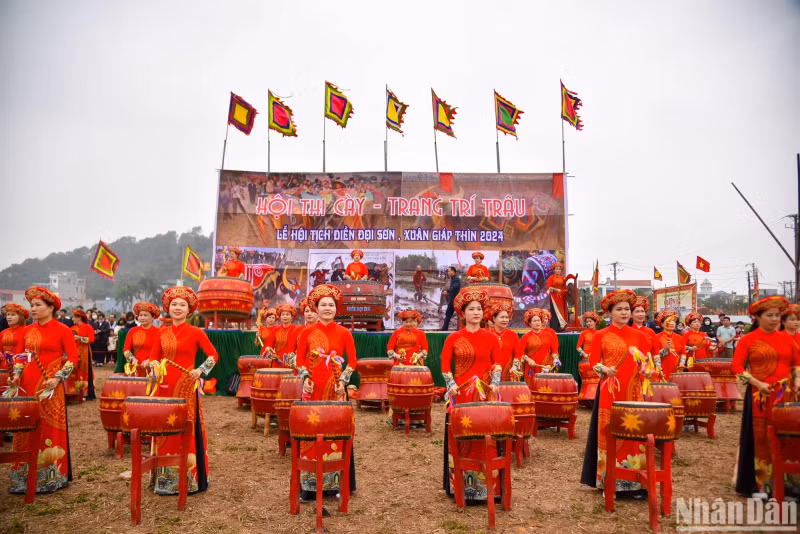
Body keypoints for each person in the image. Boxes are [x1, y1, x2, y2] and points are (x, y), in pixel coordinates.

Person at [144, 287, 218, 495]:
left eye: (182, 305)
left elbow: (213, 355)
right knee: (164, 431)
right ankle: (165, 479)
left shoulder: (196, 332)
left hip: (187, 387)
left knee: (186, 430)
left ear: (189, 310)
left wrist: (200, 370)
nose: (177, 308)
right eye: (174, 304)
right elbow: (153, 359)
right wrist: (154, 366)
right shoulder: (162, 332)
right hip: (164, 389)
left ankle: (189, 478)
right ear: (168, 308)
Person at [580, 289, 651, 494]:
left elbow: (645, 361)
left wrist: (647, 369)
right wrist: (604, 369)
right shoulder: (601, 335)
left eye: (627, 309)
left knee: (634, 431)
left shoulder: (640, 335)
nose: (624, 313)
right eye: (619, 309)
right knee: (609, 432)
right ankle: (608, 480)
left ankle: (635, 481)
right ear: (610, 312)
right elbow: (593, 361)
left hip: (634, 391)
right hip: (610, 390)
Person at [8, 286, 78, 494]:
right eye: (32, 305)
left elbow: (73, 359)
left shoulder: (63, 330)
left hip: (50, 385)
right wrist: (16, 375)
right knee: (25, 427)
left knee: (49, 428)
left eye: (38, 305)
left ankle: (50, 477)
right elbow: (20, 357)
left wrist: (58, 378)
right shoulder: (27, 330)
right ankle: (22, 478)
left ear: (51, 308)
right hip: (27, 385)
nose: (34, 309)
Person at [294, 285, 357, 500]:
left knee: (335, 434)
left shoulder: (344, 333)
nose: (327, 308)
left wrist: (344, 381)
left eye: (331, 305)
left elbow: (353, 362)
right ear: (316, 308)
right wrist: (305, 378)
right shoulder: (306, 332)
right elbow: (299, 360)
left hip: (336, 391)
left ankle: (334, 486)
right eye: (323, 305)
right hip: (312, 391)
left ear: (336, 308)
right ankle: (308, 487)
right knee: (310, 435)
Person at [733, 296, 800, 498]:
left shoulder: (787, 339)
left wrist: (797, 381)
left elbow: (796, 363)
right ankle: (759, 484)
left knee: (785, 437)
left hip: (785, 395)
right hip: (759, 396)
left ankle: (786, 482)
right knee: (759, 437)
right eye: (769, 315)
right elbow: (736, 367)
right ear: (757, 317)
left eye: (777, 316)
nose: (774, 319)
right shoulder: (748, 340)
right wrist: (757, 383)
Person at [440, 286, 503, 503]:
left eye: (478, 309)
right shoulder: (453, 338)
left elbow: (498, 364)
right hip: (461, 396)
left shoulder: (492, 338)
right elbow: (445, 366)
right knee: (461, 439)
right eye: (471, 309)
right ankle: (460, 487)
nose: (475, 313)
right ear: (463, 313)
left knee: (488, 438)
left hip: (486, 395)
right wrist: (450, 385)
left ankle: (489, 488)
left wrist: (495, 383)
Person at [517, 308, 559, 391]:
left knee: (546, 388)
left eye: (539, 320)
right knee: (532, 389)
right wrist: (528, 360)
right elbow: (520, 352)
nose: (537, 323)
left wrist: (556, 359)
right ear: (530, 323)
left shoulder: (549, 335)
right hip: (532, 366)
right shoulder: (526, 337)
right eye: (534, 321)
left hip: (546, 366)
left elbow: (554, 351)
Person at [122, 302, 161, 376]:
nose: (142, 318)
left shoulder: (159, 332)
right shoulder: (132, 331)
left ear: (153, 317)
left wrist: (150, 361)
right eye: (140, 315)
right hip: (136, 367)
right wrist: (132, 359)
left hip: (153, 368)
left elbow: (161, 352)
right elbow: (126, 350)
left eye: (145, 315)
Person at [485, 302, 520, 381]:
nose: (505, 320)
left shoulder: (513, 335)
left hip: (509, 372)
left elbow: (518, 355)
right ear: (494, 319)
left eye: (506, 317)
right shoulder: (487, 335)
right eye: (502, 317)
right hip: (490, 373)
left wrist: (514, 367)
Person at [652, 310, 686, 380]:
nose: (672, 323)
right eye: (669, 321)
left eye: (673, 321)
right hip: (662, 369)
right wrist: (665, 350)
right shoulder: (656, 337)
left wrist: (682, 363)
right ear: (661, 324)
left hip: (677, 369)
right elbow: (654, 356)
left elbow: (683, 353)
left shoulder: (679, 337)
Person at [263, 304, 298, 368]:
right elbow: (269, 345)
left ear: (292, 317)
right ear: (280, 317)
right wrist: (271, 353)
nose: (285, 316)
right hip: (277, 362)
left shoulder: (296, 330)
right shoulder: (275, 330)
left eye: (287, 314)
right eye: (283, 314)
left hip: (292, 364)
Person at [71, 309, 96, 400]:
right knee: (75, 371)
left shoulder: (88, 327)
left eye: (74, 317)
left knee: (86, 371)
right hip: (75, 351)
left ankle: (87, 392)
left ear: (79, 318)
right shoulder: (73, 328)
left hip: (85, 352)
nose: (72, 318)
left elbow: (92, 339)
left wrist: (80, 338)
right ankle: (76, 392)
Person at [545, 262, 569, 329]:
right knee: (554, 313)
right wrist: (556, 290)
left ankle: (561, 327)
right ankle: (554, 328)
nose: (558, 270)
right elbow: (549, 288)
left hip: (561, 298)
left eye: (559, 269)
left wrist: (565, 291)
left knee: (562, 312)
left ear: (561, 270)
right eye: (556, 269)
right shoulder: (551, 278)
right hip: (554, 298)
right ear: (554, 270)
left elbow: (565, 288)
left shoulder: (563, 278)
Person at [441, 266, 461, 331]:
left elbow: (455, 287)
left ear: (453, 271)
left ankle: (459, 328)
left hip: (456, 300)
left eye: (449, 271)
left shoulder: (456, 279)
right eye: (448, 271)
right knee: (448, 313)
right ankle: (445, 328)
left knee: (456, 314)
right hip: (452, 299)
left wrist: (447, 291)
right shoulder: (453, 278)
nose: (448, 272)